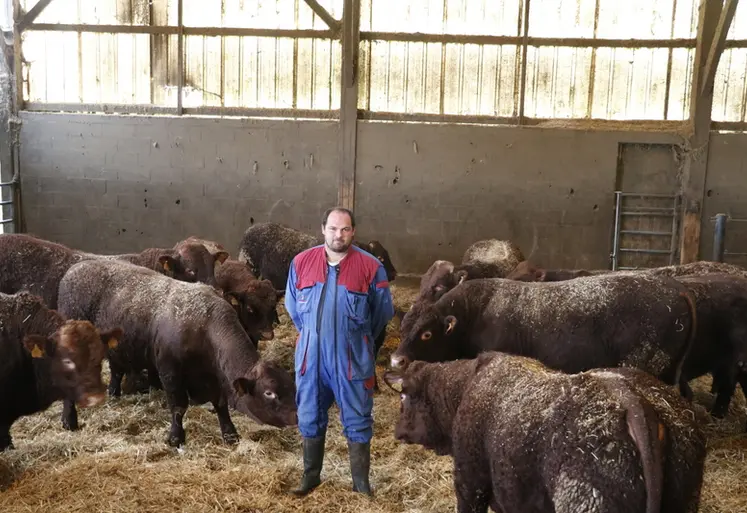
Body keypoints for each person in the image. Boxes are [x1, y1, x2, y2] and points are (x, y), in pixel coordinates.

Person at [284, 207, 395, 497]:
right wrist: (313, 333)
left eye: (345, 229)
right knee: (309, 414)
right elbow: (294, 309)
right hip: (312, 356)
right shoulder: (301, 262)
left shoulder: (371, 267)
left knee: (358, 417)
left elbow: (381, 313)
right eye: (333, 228)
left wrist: (354, 335)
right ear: (323, 229)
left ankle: (360, 484)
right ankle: (310, 476)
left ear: (353, 232)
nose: (339, 235)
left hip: (352, 358)